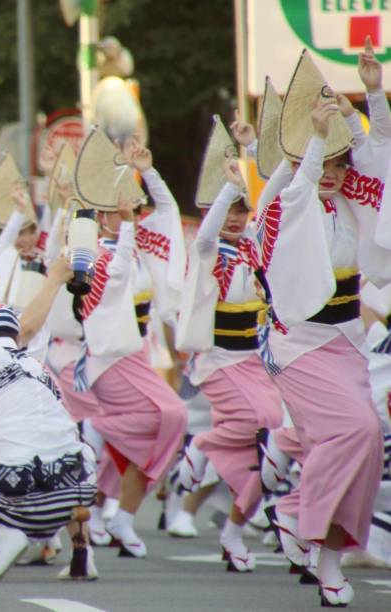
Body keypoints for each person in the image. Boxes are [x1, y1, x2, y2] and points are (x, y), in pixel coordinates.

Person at [257, 47, 390, 606]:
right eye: (325, 165)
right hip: (297, 343)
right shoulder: (290, 199)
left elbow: (380, 156)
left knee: (364, 442)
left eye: (341, 164)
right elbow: (294, 191)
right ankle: (297, 516)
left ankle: (328, 552)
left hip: (345, 341)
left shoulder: (354, 202)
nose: (334, 174)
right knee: (355, 430)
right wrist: (313, 143)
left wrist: (373, 94)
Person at [49, 137, 187, 559]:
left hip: (136, 353)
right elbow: (117, 274)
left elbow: (167, 215)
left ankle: (123, 516)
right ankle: (99, 429)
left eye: (126, 207)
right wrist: (123, 224)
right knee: (172, 414)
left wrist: (148, 172)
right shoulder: (89, 251)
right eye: (109, 209)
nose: (122, 213)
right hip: (107, 358)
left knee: (155, 437)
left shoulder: (139, 238)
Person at [174, 157, 284, 572]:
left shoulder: (253, 250)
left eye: (243, 209)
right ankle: (202, 443)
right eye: (230, 210)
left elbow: (273, 206)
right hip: (216, 361)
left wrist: (257, 152)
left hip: (254, 362)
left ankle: (234, 531)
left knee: (273, 453)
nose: (237, 218)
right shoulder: (207, 252)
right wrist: (229, 188)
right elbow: (206, 235)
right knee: (265, 418)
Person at [0, 303, 97, 583]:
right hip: (76, 497)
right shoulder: (37, 367)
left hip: (15, 499)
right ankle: (82, 551)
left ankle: (1, 538)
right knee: (67, 451)